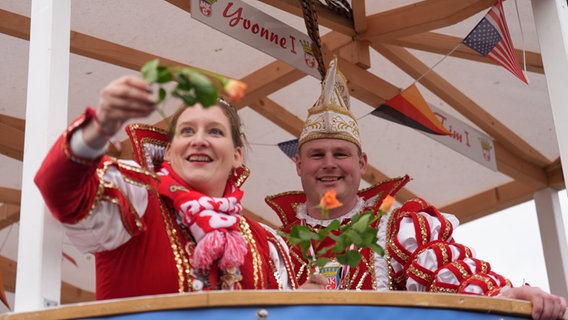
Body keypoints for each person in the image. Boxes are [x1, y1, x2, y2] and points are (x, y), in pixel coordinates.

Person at [265, 57, 566, 320]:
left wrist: (507, 293)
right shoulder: (269, 247)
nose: (329, 164)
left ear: (362, 164)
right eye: (317, 155)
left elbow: (451, 274)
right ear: (298, 164)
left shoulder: (398, 230)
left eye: (341, 154)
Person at [34, 75, 297, 300]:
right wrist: (99, 126)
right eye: (187, 131)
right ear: (169, 152)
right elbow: (60, 190)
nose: (199, 140)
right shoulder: (138, 199)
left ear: (237, 155)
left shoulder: (264, 241)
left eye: (215, 132)